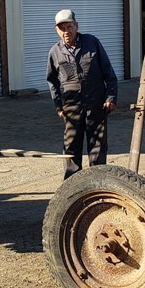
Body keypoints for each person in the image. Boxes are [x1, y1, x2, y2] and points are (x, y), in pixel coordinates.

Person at [47, 9, 118, 180]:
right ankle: (72, 185)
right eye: (62, 28)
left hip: (97, 104)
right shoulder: (54, 52)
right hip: (71, 106)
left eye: (69, 26)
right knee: (71, 146)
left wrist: (111, 97)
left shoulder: (92, 42)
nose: (66, 31)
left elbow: (109, 73)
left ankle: (98, 182)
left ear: (76, 26)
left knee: (97, 146)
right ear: (57, 30)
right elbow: (52, 82)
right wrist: (58, 106)